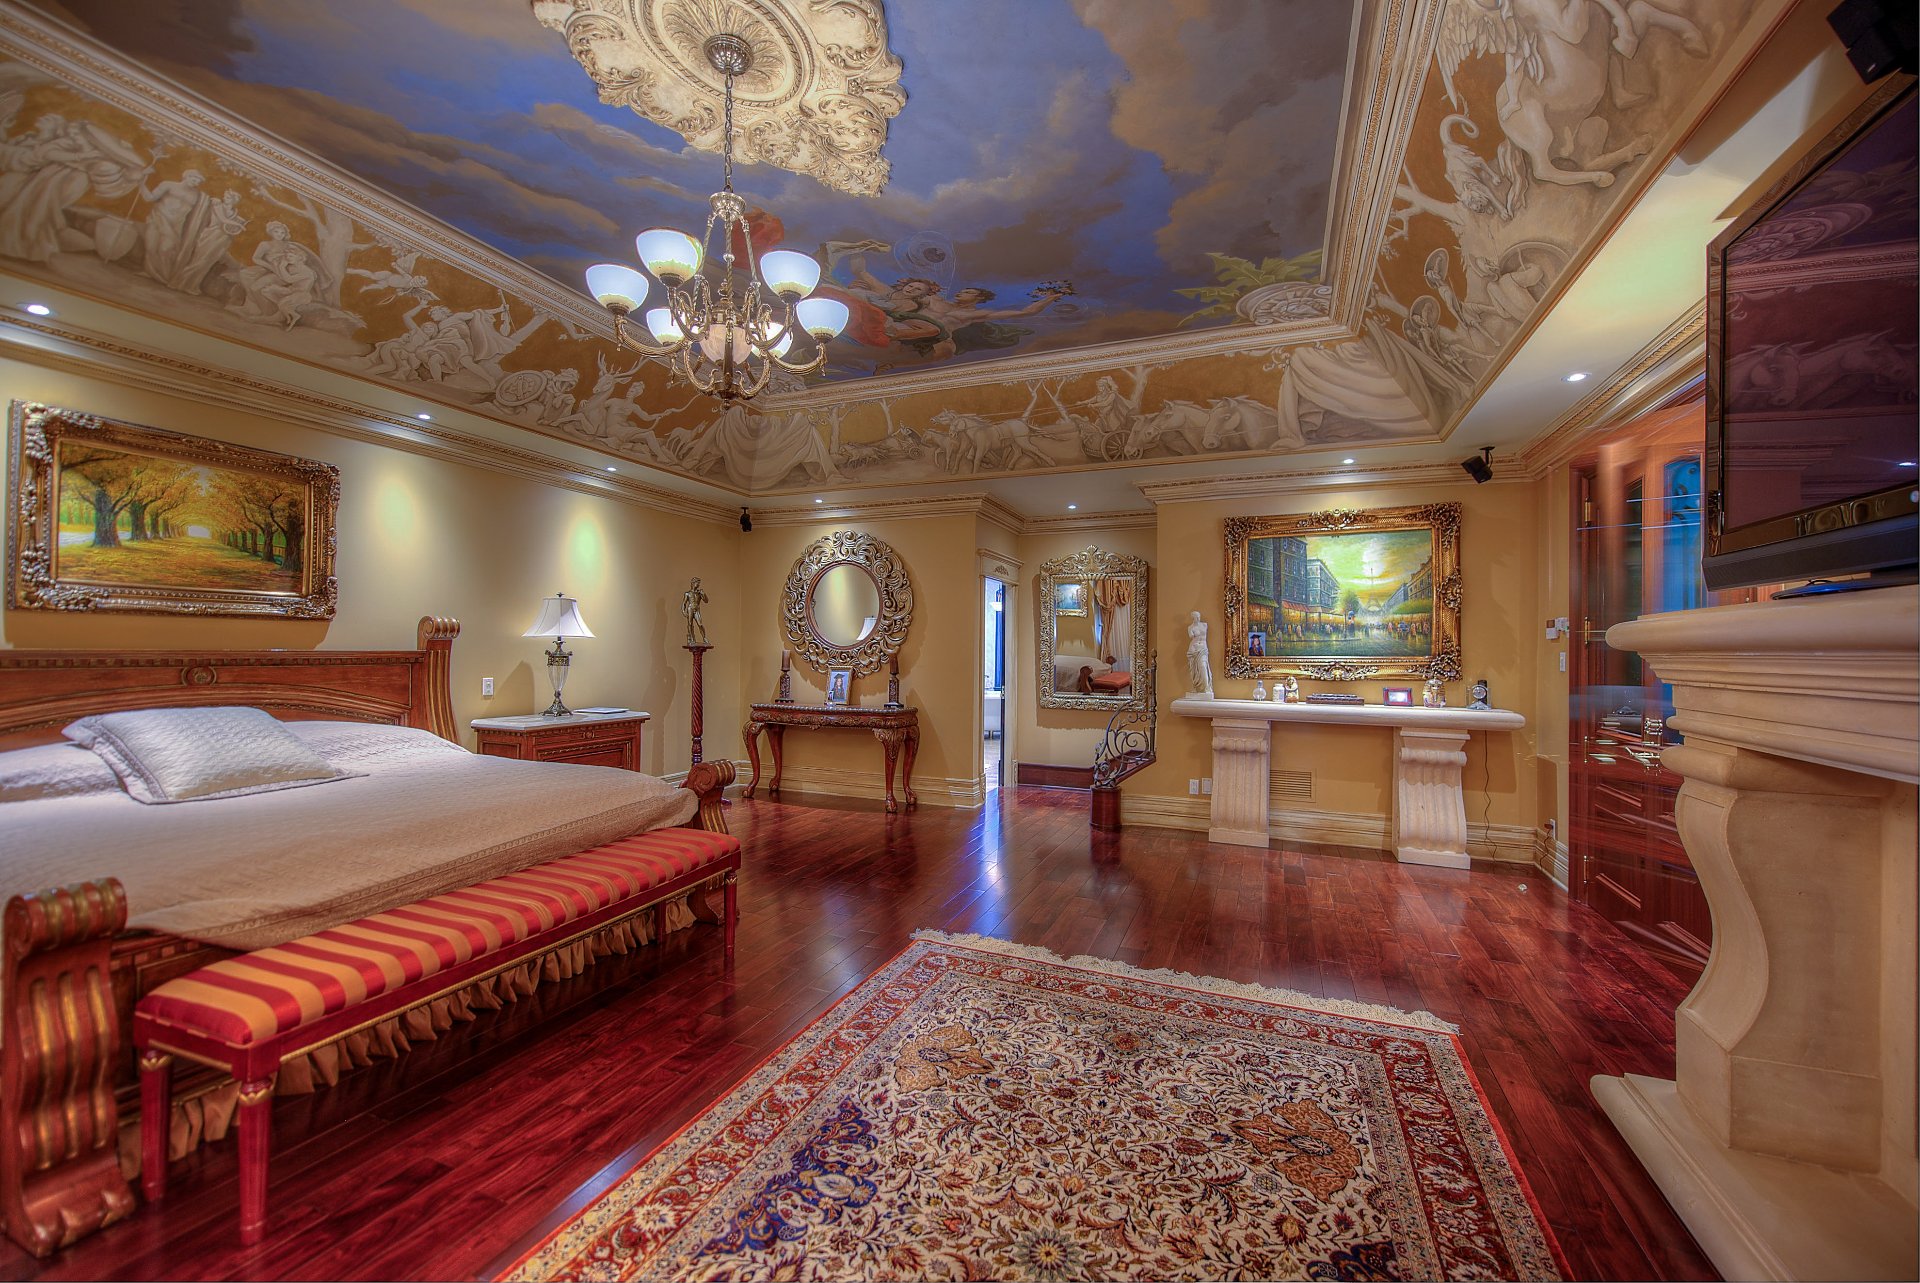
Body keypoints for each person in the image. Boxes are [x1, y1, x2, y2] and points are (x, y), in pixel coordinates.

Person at [1186, 611, 1213, 698]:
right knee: (1194, 670)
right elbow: (1191, 636)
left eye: (1199, 616)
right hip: (1194, 649)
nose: (1198, 618)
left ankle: (1206, 688)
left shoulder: (1204, 625)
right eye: (1196, 617)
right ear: (1192, 618)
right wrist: (1192, 632)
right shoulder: (1190, 627)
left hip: (1203, 648)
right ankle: (1197, 687)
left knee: (1203, 666)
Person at [682, 577, 708, 647]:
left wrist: (703, 594)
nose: (699, 584)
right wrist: (683, 611)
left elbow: (706, 601)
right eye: (697, 583)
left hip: (697, 609)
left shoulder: (699, 593)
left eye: (699, 583)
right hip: (690, 608)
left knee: (700, 624)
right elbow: (684, 603)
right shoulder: (687, 593)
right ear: (693, 583)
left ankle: (704, 638)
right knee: (690, 624)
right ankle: (692, 638)